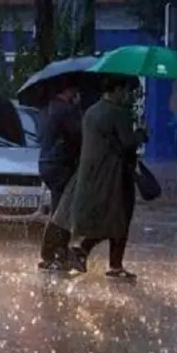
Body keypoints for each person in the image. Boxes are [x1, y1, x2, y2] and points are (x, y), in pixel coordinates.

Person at [51, 77, 145, 280]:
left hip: (90, 173)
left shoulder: (92, 111)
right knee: (120, 218)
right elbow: (128, 144)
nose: (129, 96)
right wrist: (140, 134)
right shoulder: (118, 113)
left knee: (105, 218)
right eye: (127, 91)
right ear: (117, 89)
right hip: (115, 174)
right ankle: (113, 265)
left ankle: (81, 252)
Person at [36, 83, 83, 271]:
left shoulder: (47, 109)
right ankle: (54, 253)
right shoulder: (64, 110)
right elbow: (77, 136)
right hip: (60, 164)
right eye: (73, 89)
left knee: (59, 209)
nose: (76, 92)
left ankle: (53, 253)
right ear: (67, 90)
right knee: (62, 211)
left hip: (47, 162)